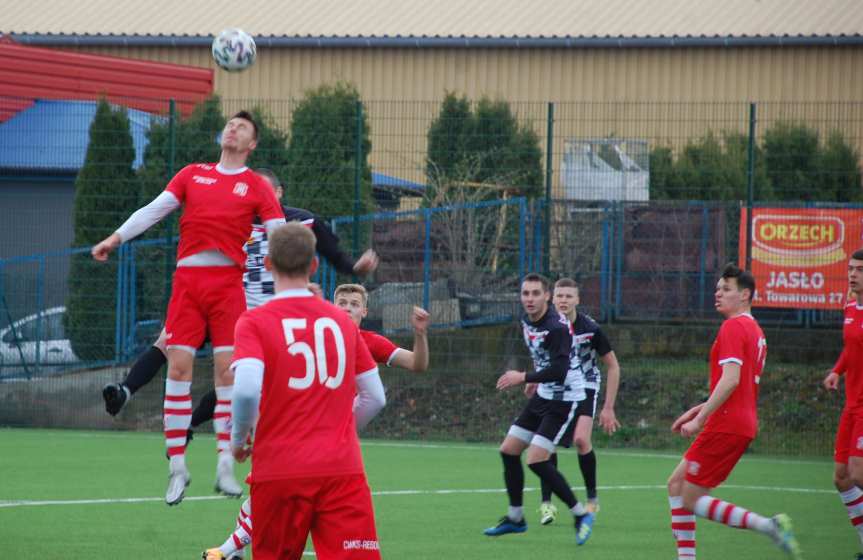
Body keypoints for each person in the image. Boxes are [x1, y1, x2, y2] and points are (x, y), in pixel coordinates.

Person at [92, 112, 286, 505]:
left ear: (252, 145)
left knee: (225, 376)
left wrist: (286, 265)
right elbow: (153, 210)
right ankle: (177, 468)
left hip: (228, 287)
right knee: (177, 369)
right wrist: (115, 238)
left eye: (242, 127)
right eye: (230, 123)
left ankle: (225, 468)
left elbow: (280, 232)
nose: (233, 128)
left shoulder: (255, 186)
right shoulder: (192, 174)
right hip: (188, 285)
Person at [101, 168, 378, 425]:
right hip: (229, 305)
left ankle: (191, 424)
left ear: (279, 193)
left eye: (266, 190)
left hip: (270, 319)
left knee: (238, 377)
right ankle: (125, 390)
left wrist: (354, 268)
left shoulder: (302, 222)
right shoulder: (233, 221)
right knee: (168, 339)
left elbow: (334, 254)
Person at [203, 283, 429, 560]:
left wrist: (420, 334)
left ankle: (226, 550)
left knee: (272, 493)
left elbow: (417, 364)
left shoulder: (366, 341)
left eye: (354, 304)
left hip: (326, 440)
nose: (347, 308)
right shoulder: (308, 336)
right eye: (342, 302)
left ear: (365, 311)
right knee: (264, 496)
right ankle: (229, 549)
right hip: (315, 439)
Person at [228, 222, 383, 560]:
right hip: (342, 470)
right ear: (314, 265)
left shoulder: (253, 322)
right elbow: (375, 396)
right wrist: (341, 434)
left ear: (267, 264)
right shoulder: (343, 322)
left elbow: (245, 391)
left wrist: (238, 441)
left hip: (279, 470)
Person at [666, 263, 800, 560]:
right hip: (738, 421)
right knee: (676, 484)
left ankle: (769, 525)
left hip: (725, 424)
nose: (718, 293)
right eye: (717, 288)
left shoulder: (733, 326)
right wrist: (698, 409)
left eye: (726, 289)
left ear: (745, 295)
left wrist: (701, 420)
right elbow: (737, 386)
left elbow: (730, 380)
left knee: (690, 497)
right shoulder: (754, 329)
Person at [483, 273, 594, 546]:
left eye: (535, 293)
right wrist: (536, 381)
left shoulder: (557, 326)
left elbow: (559, 368)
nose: (529, 299)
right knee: (508, 451)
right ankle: (515, 518)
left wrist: (524, 377)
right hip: (543, 394)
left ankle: (580, 514)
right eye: (525, 293)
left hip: (565, 399)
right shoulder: (526, 321)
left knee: (536, 459)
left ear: (547, 296)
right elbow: (543, 358)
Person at [537, 277, 621, 525]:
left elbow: (613, 366)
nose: (563, 300)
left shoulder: (591, 329)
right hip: (556, 387)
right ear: (552, 298)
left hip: (585, 385)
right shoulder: (547, 326)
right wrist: (534, 379)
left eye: (568, 296)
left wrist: (608, 407)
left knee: (581, 440)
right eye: (559, 295)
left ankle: (592, 499)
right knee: (546, 444)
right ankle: (547, 504)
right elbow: (543, 357)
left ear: (577, 300)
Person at [825, 249, 863, 560]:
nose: (853, 274)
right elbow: (851, 349)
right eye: (851, 269)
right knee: (841, 477)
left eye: (860, 270)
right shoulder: (850, 305)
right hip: (852, 405)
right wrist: (837, 370)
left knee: (858, 472)